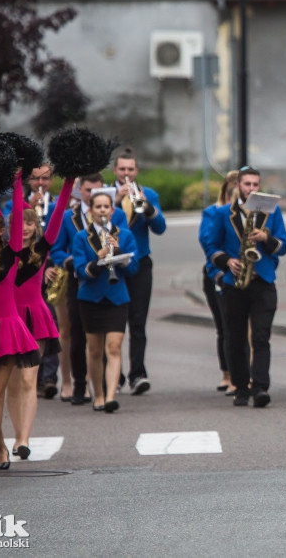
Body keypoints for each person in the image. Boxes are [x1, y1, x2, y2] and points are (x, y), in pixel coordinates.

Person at [0, 170, 43, 475]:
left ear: (3, 229)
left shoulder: (12, 253)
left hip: (6, 332)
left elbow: (17, 216)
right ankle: (0, 447)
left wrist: (16, 181)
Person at [205, 166, 286, 407]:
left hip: (263, 280)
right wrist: (227, 261)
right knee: (235, 337)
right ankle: (241, 388)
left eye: (255, 184)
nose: (252, 189)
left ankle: (260, 387)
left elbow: (283, 246)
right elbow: (211, 246)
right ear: (238, 186)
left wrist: (266, 239)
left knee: (261, 337)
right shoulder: (223, 213)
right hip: (234, 282)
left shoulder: (272, 211)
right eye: (247, 184)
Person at [8, 174, 76, 461]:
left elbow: (59, 211)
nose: (24, 229)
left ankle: (24, 438)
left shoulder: (42, 247)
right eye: (19, 223)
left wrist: (69, 180)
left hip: (35, 316)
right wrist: (16, 180)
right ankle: (14, 434)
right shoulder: (5, 252)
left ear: (36, 225)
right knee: (11, 383)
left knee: (28, 380)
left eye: (29, 223)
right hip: (9, 319)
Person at [50, 173, 127, 405]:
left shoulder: (117, 215)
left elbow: (126, 240)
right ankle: (79, 385)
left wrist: (118, 253)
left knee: (110, 339)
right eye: (88, 191)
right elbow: (57, 250)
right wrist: (76, 260)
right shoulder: (68, 217)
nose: (93, 195)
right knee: (76, 331)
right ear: (80, 191)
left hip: (110, 279)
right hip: (79, 277)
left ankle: (105, 388)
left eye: (97, 191)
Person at [71, 187, 139, 413]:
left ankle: (111, 395)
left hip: (117, 297)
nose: (102, 211)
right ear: (91, 211)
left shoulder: (125, 235)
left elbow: (134, 267)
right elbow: (80, 271)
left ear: (112, 211)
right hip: (90, 297)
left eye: (106, 207)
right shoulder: (82, 237)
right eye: (98, 207)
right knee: (94, 350)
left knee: (114, 347)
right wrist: (99, 259)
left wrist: (118, 254)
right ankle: (98, 394)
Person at [113, 148, 167, 396]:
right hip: (111, 263)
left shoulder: (149, 194)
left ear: (136, 171)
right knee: (113, 324)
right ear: (115, 171)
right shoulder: (104, 193)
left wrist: (147, 208)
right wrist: (115, 201)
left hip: (140, 263)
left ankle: (137, 374)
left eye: (130, 169)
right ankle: (114, 375)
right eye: (122, 169)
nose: (126, 174)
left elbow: (160, 228)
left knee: (137, 322)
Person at [6, 162, 61, 399]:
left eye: (45, 178)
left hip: (44, 271)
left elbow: (54, 238)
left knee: (49, 323)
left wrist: (52, 266)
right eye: (36, 178)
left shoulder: (55, 205)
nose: (41, 183)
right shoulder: (12, 208)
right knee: (14, 376)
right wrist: (29, 205)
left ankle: (48, 377)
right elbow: (15, 229)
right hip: (13, 301)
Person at [199, 170, 240, 396]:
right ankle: (228, 374)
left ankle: (246, 374)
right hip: (218, 274)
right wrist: (218, 271)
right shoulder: (214, 212)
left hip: (245, 276)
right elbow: (208, 243)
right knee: (225, 328)